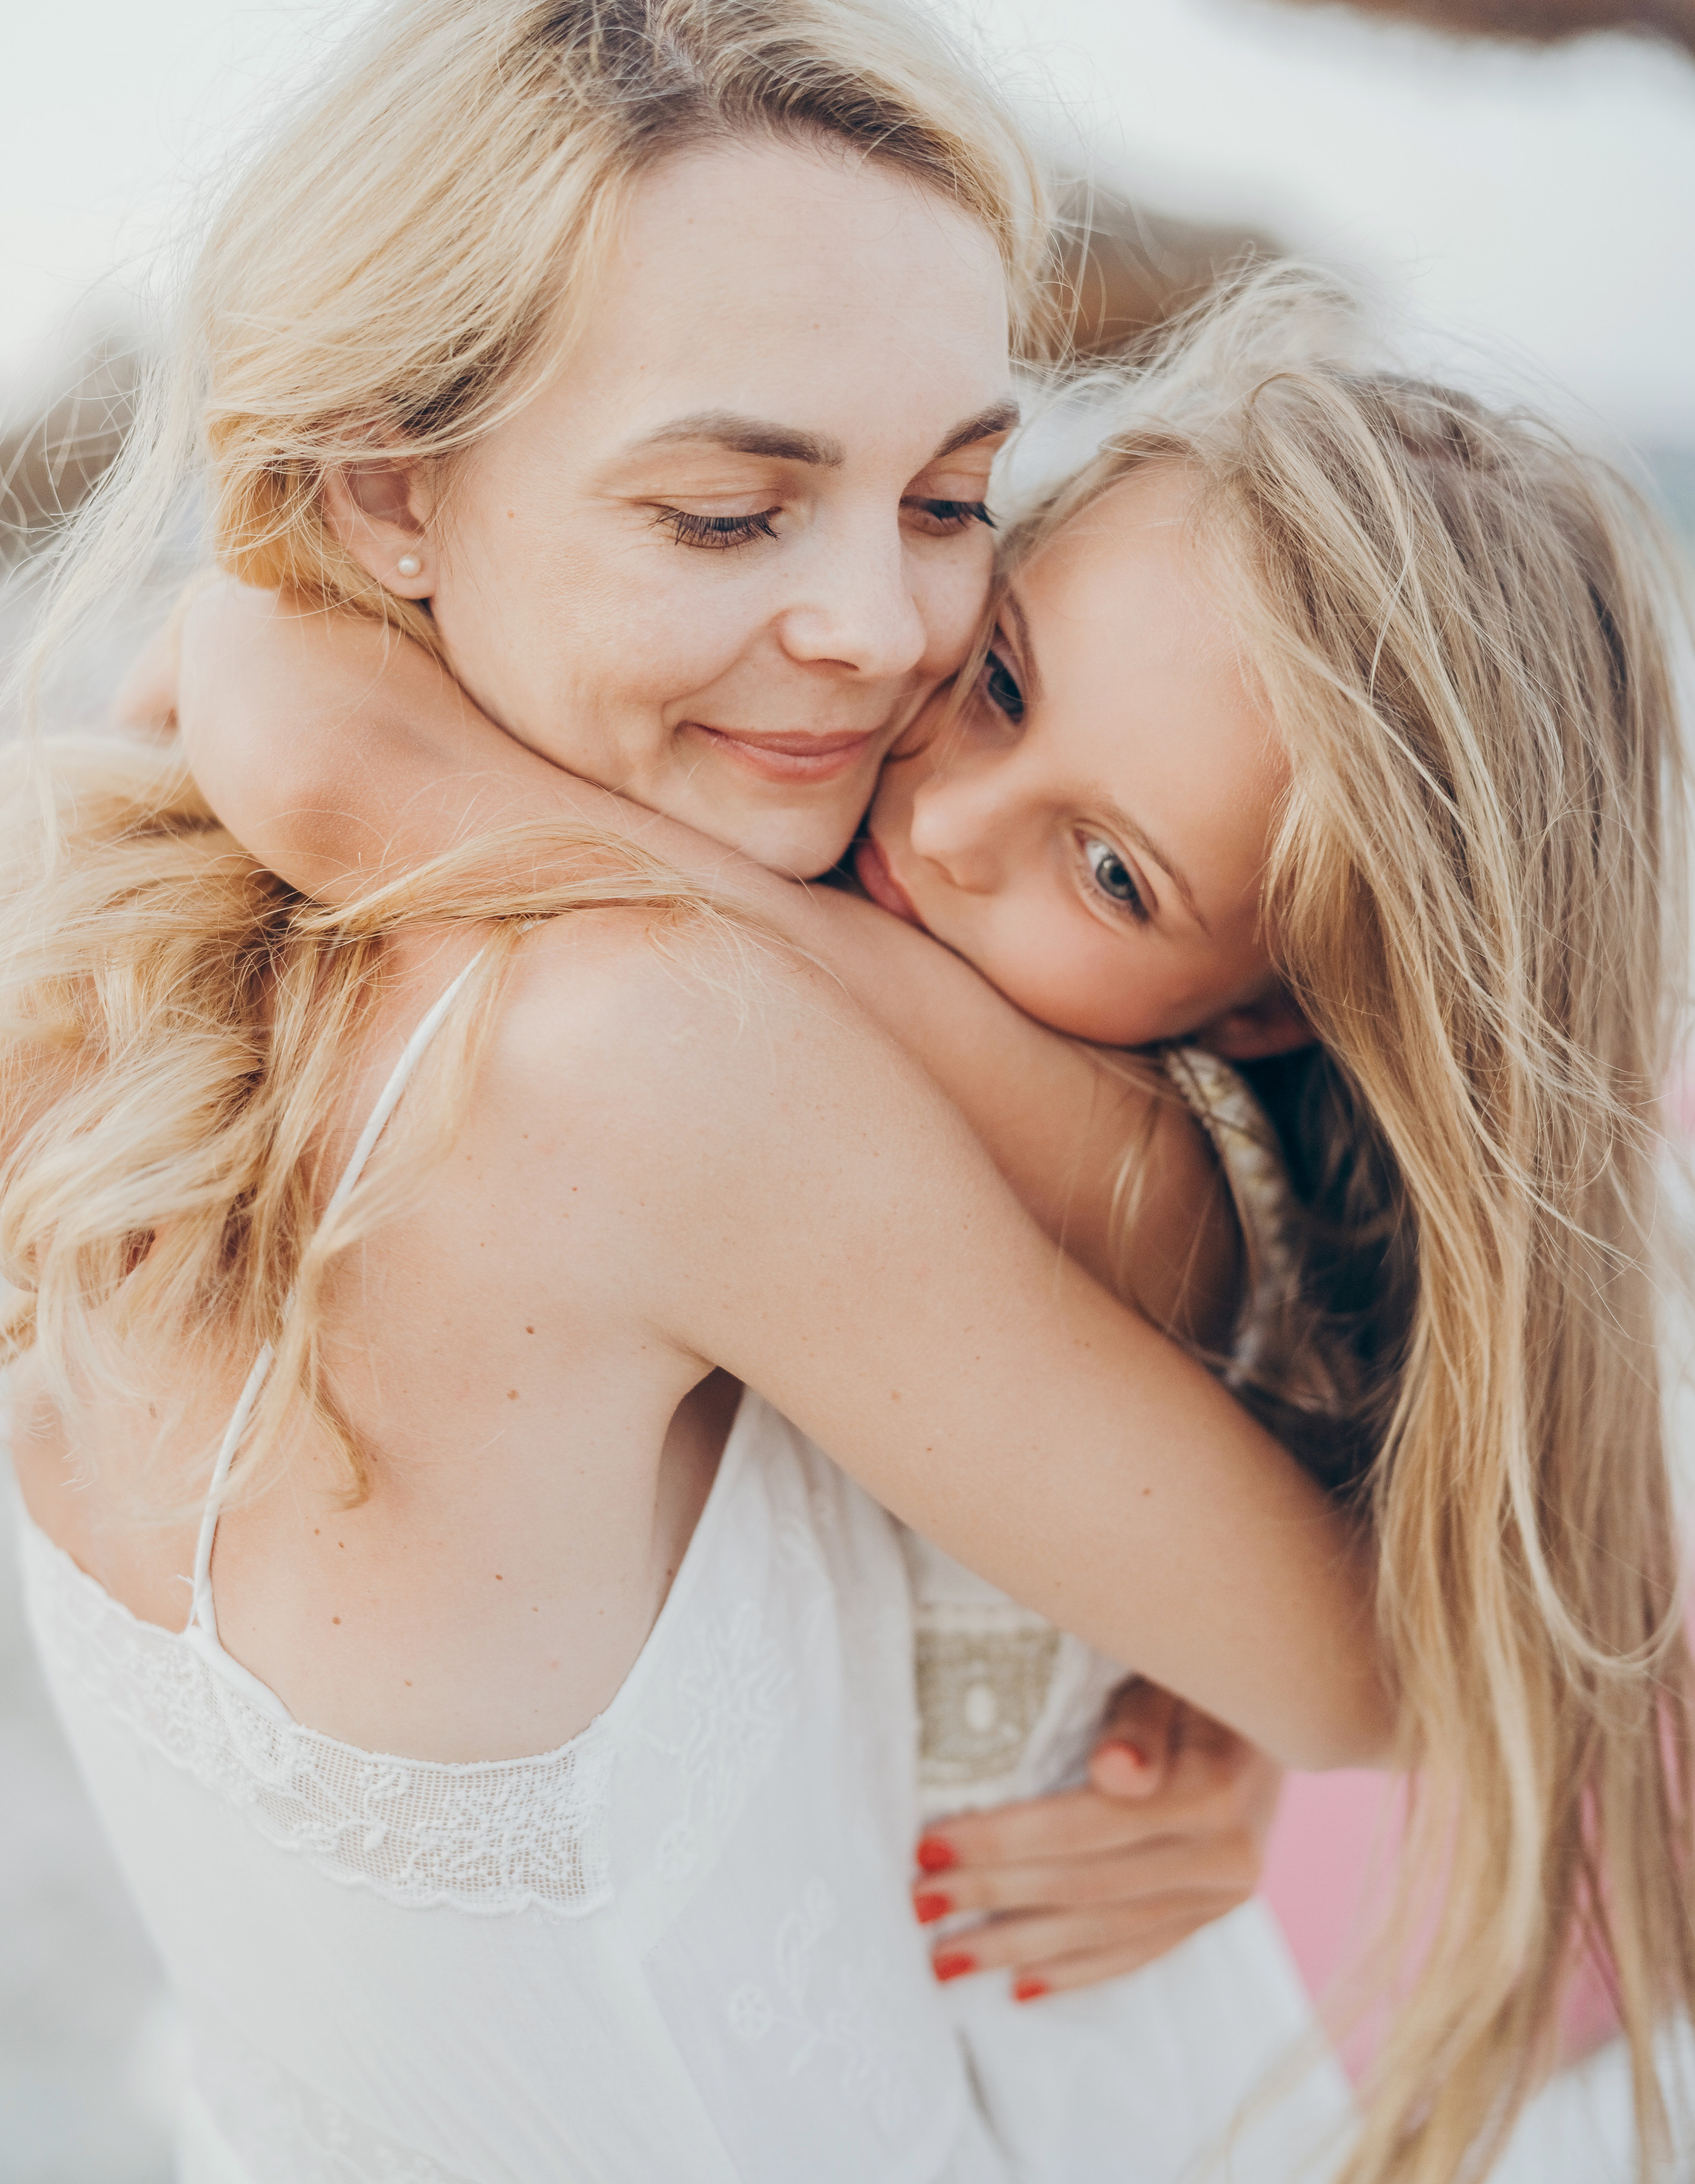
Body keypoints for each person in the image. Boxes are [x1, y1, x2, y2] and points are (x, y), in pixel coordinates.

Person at [1, 0, 1383, 2184]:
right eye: (725, 513)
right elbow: (1369, 1660)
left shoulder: (109, 909)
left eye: (952, 502)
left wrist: (395, 771)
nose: (873, 631)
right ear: (386, 491)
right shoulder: (640, 1059)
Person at [183, 264, 1695, 2183]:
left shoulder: (1130, 1154)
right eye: (999, 681)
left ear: (1255, 1017)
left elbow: (326, 761)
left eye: (1115, 870)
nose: (959, 821)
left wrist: (306, 620)